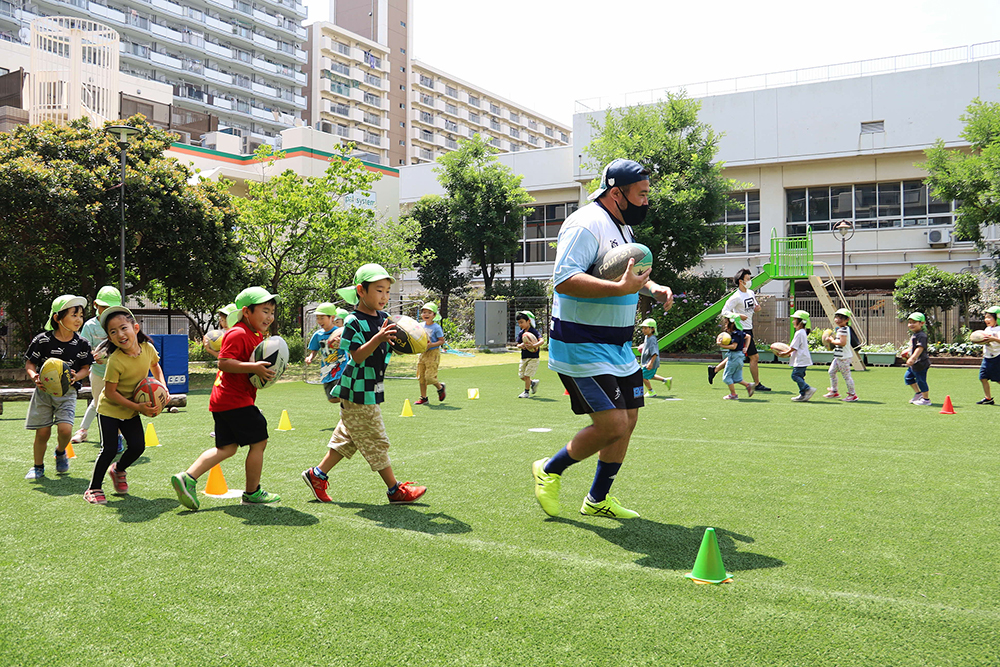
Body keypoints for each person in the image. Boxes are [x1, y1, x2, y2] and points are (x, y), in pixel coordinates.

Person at [532, 158, 673, 520]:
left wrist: (653, 288)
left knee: (630, 420)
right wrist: (619, 286)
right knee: (612, 425)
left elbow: (628, 276)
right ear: (616, 192)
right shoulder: (585, 224)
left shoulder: (622, 228)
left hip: (617, 345)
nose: (646, 201)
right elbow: (564, 279)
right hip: (581, 343)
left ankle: (597, 500)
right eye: (641, 194)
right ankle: (549, 469)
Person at [301, 264, 427, 504]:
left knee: (349, 437)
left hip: (373, 386)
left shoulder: (384, 318)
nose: (385, 296)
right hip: (357, 389)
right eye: (379, 290)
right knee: (375, 438)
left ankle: (317, 475)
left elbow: (388, 347)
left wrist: (407, 342)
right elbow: (357, 356)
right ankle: (394, 490)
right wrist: (378, 337)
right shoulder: (353, 321)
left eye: (388, 291)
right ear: (361, 290)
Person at [170, 287, 281, 510]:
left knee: (227, 448)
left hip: (225, 401)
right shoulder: (238, 333)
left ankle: (188, 477)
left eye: (272, 312)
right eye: (265, 311)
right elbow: (223, 362)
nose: (270, 317)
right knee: (259, 441)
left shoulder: (254, 335)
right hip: (235, 400)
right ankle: (252, 492)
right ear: (246, 312)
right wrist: (254, 368)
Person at [83, 306, 166, 504]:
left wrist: (163, 387)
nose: (119, 334)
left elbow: (155, 366)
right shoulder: (115, 361)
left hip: (130, 408)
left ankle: (118, 470)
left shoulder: (147, 349)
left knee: (138, 446)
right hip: (110, 408)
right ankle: (93, 488)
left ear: (135, 328)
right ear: (110, 339)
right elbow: (110, 393)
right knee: (109, 449)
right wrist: (139, 408)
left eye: (123, 328)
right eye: (113, 332)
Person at [24, 295, 94, 480]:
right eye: (74, 315)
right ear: (57, 318)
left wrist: (76, 376)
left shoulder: (82, 344)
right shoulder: (43, 340)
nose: (79, 319)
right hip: (44, 393)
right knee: (43, 432)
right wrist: (34, 377)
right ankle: (38, 467)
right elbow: (30, 364)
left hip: (67, 393)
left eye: (81, 315)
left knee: (65, 430)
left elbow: (86, 368)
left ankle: (61, 451)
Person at [73, 285, 122, 445]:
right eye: (104, 307)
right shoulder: (90, 325)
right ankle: (83, 431)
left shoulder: (123, 322)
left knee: (119, 403)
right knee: (98, 402)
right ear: (95, 305)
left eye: (111, 307)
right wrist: (93, 356)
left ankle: (118, 436)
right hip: (99, 372)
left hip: (121, 373)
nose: (107, 310)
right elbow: (84, 349)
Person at [708, 268, 771, 391]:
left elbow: (754, 307)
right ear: (741, 281)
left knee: (735, 354)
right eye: (748, 279)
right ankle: (757, 384)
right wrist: (737, 316)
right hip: (741, 330)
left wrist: (757, 308)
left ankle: (714, 370)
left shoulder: (751, 293)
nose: (750, 281)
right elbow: (724, 312)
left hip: (749, 327)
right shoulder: (735, 297)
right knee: (754, 357)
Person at [304, 302, 344, 404]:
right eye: (318, 318)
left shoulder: (340, 332)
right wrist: (310, 357)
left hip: (341, 369)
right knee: (332, 399)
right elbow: (315, 349)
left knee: (342, 396)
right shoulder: (318, 335)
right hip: (326, 371)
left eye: (322, 318)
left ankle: (350, 409)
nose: (319, 321)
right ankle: (347, 412)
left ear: (332, 318)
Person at [414, 301, 446, 405]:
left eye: (429, 312)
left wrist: (431, 345)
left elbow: (442, 341)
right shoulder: (420, 325)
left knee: (430, 377)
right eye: (424, 312)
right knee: (421, 377)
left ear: (434, 315)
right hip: (423, 353)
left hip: (433, 353)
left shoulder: (436, 327)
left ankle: (440, 387)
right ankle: (424, 398)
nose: (426, 314)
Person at [824, 308, 858, 402]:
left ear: (847, 320)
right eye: (837, 317)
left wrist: (831, 341)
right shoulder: (842, 329)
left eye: (841, 318)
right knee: (831, 372)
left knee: (847, 376)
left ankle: (852, 394)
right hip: (839, 357)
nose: (838, 319)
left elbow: (842, 343)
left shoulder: (843, 330)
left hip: (844, 357)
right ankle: (834, 391)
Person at [719, 313, 754, 400]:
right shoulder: (740, 333)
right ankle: (748, 385)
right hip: (740, 357)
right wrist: (746, 347)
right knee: (737, 378)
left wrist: (721, 345)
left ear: (732, 324)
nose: (726, 325)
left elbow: (733, 346)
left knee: (727, 377)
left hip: (734, 357)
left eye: (727, 323)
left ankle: (733, 394)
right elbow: (748, 336)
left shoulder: (735, 334)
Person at [903, 312, 932, 406]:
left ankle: (926, 399)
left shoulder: (921, 335)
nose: (911, 324)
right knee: (908, 377)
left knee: (921, 381)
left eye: (914, 322)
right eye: (910, 322)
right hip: (914, 364)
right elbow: (914, 347)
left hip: (920, 363)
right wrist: (907, 351)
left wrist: (912, 358)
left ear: (922, 323)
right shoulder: (915, 334)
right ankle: (918, 393)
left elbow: (920, 348)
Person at [788, 310, 816, 401]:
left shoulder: (799, 333)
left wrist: (784, 353)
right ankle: (803, 395)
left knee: (795, 376)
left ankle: (807, 389)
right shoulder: (803, 332)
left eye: (795, 319)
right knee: (800, 376)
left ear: (801, 322)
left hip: (800, 359)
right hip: (803, 359)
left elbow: (794, 347)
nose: (793, 321)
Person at [638, 318, 669, 397]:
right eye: (643, 328)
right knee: (650, 375)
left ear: (652, 329)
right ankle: (665, 380)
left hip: (650, 362)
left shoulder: (652, 339)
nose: (643, 330)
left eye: (645, 328)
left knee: (643, 377)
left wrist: (650, 363)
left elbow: (655, 353)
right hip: (647, 361)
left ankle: (651, 391)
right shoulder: (647, 337)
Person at [515, 310, 542, 398]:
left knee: (527, 375)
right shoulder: (521, 333)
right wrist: (521, 345)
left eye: (522, 322)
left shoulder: (533, 331)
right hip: (524, 357)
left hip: (533, 357)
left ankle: (526, 392)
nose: (520, 325)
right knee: (521, 376)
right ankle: (532, 383)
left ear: (528, 321)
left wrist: (534, 345)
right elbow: (518, 344)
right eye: (519, 323)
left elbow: (542, 341)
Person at [977, 306, 1000, 405]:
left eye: (990, 317)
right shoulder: (986, 329)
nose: (987, 320)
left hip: (997, 357)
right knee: (983, 377)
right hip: (987, 357)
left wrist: (993, 339)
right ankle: (988, 398)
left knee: (999, 380)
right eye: (986, 317)